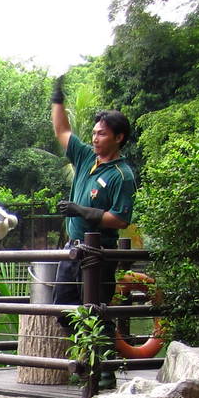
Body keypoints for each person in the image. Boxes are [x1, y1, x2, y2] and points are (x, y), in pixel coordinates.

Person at [49, 75, 138, 312]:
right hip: (73, 249)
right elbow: (62, 131)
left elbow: (120, 219)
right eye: (94, 132)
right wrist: (57, 98)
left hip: (99, 255)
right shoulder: (87, 156)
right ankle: (80, 351)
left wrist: (81, 210)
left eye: (102, 134)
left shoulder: (122, 175)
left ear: (118, 138)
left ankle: (98, 350)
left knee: (94, 314)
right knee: (63, 312)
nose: (95, 138)